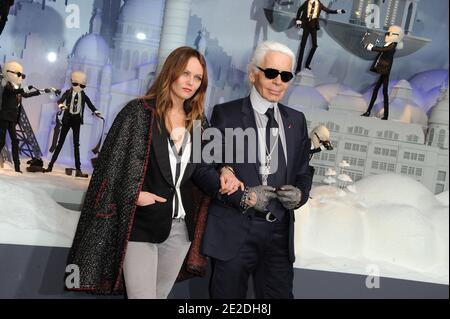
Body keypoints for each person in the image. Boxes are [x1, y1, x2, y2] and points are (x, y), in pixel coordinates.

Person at [66, 46, 243, 298]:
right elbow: (110, 166)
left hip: (181, 230)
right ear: (170, 72)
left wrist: (226, 170)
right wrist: (134, 195)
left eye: (197, 78)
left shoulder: (198, 122)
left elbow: (208, 165)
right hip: (141, 223)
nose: (190, 82)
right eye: (185, 74)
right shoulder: (138, 112)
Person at [201, 41, 313, 299]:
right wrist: (244, 196)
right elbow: (204, 169)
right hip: (235, 229)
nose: (278, 82)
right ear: (253, 74)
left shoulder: (296, 121)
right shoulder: (225, 114)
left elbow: (304, 171)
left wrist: (300, 194)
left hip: (279, 234)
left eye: (285, 76)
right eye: (271, 73)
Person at [44, 71, 101, 177]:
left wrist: (95, 111)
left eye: (82, 85)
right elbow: (59, 101)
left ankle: (78, 169)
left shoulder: (83, 96)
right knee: (60, 143)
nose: (78, 87)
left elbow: (90, 105)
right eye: (76, 84)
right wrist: (61, 106)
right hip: (67, 119)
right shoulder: (68, 93)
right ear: (72, 82)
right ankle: (50, 166)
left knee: (76, 145)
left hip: (76, 120)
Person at [0, 61, 48, 173]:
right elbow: (16, 92)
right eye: (19, 74)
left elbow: (25, 95)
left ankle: (17, 167)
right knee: (1, 142)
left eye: (22, 75)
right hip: (4, 117)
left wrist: (40, 92)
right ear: (9, 73)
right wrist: (25, 88)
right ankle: (16, 167)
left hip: (12, 118)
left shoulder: (16, 87)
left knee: (15, 142)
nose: (21, 77)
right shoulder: (6, 86)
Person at [361, 25, 404, 120]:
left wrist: (371, 47)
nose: (386, 35)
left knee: (382, 92)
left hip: (385, 71)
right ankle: (374, 113)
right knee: (379, 91)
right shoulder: (389, 45)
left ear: (395, 36)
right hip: (384, 70)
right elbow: (382, 49)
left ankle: (379, 114)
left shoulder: (392, 46)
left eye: (388, 33)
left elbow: (382, 50)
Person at [294, 0, 345, 74]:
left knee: (314, 45)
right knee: (303, 46)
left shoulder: (320, 5)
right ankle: (298, 67)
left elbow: (329, 11)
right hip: (306, 25)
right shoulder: (307, 2)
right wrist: (298, 19)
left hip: (313, 26)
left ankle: (307, 64)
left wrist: (339, 11)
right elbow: (299, 10)